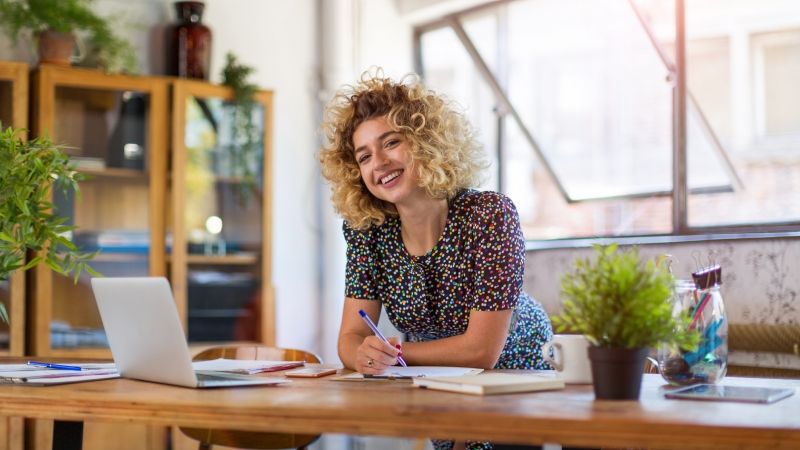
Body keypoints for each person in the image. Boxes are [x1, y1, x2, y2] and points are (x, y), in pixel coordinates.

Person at [319, 71, 553, 450]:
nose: (378, 162)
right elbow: (349, 338)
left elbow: (481, 351)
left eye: (390, 142)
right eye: (364, 157)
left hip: (514, 370)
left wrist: (391, 357)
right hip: (435, 377)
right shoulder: (368, 231)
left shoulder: (489, 215)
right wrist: (363, 354)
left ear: (426, 142)